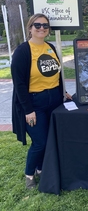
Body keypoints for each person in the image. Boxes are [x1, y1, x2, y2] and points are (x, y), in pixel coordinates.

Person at [11, 13, 72, 189]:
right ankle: (29, 174)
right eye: (37, 25)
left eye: (45, 26)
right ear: (30, 28)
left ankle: (40, 168)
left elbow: (56, 74)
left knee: (50, 137)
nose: (42, 28)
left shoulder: (50, 47)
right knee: (40, 142)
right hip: (34, 102)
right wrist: (28, 110)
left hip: (54, 99)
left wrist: (64, 92)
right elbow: (19, 84)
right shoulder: (23, 51)